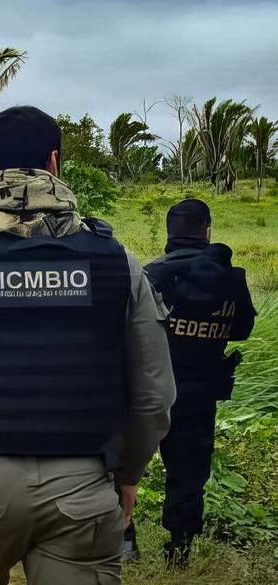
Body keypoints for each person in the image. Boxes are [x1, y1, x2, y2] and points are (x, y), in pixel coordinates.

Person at [0, 105, 177, 585]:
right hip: (84, 483)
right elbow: (155, 395)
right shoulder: (117, 262)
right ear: (56, 163)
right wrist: (129, 475)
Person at [123, 199, 256, 566]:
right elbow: (242, 330)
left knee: (125, 465)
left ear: (169, 232)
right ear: (207, 230)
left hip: (148, 391)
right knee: (189, 474)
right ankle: (179, 552)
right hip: (200, 393)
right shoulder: (231, 279)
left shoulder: (151, 276)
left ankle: (126, 541)